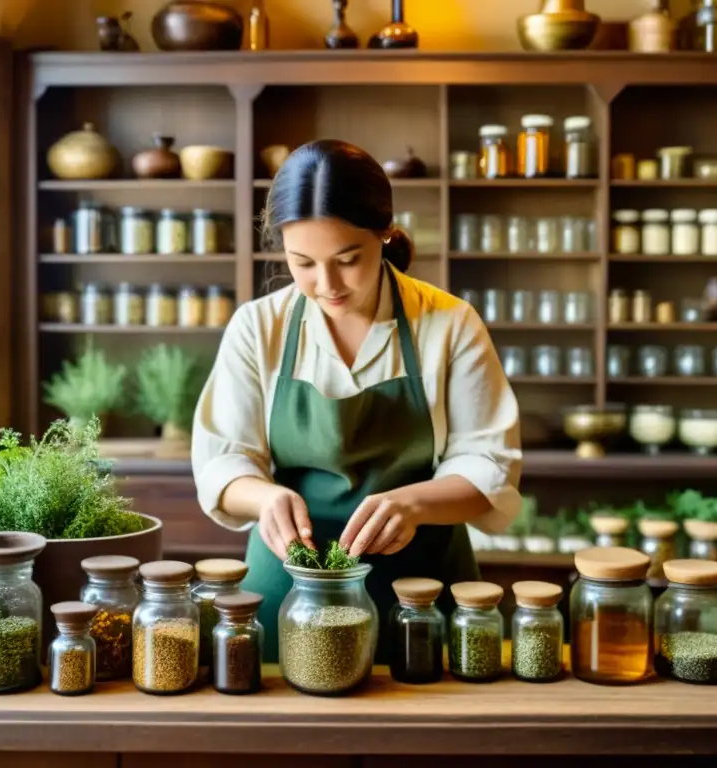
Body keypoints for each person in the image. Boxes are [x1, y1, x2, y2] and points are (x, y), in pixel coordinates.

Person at [192, 139, 522, 661]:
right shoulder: (259, 328)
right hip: (290, 590)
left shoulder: (450, 324)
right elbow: (220, 463)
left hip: (419, 591)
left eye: (348, 260)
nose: (327, 285)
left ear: (385, 234)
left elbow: (491, 468)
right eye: (303, 262)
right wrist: (264, 498)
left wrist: (414, 504)